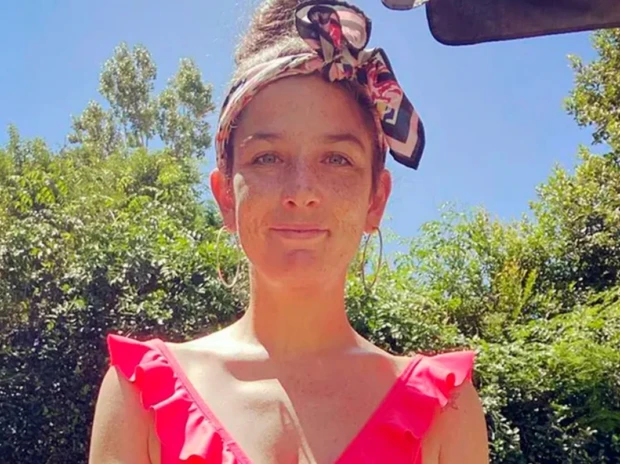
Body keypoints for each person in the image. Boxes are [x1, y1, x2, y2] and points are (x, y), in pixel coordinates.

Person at [89, 1, 489, 463]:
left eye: (336, 159)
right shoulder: (140, 396)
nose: (301, 192)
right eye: (267, 158)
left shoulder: (445, 409)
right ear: (225, 195)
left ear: (376, 199)